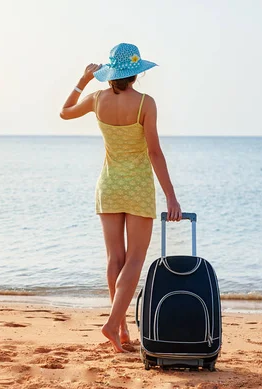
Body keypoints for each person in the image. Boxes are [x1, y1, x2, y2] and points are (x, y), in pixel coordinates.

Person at [60, 43, 183, 353]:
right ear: (135, 74)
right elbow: (154, 152)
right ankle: (113, 324)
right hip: (138, 187)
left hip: (109, 185)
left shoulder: (96, 99)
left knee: (115, 258)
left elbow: (64, 112)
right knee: (135, 260)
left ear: (110, 74)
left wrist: (84, 79)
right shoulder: (146, 104)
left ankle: (122, 327)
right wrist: (171, 197)